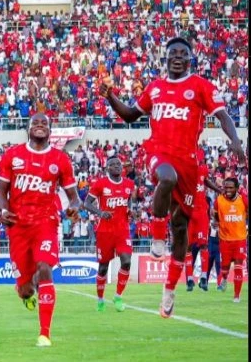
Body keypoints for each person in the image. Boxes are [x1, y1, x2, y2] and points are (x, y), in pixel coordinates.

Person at [99, 37, 246, 318]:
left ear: (190, 59)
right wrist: (110, 96)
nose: (178, 56)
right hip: (158, 151)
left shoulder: (200, 87)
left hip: (189, 163)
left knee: (180, 230)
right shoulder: (155, 88)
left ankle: (169, 291)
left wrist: (236, 140)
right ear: (165, 59)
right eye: (173, 53)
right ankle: (156, 237)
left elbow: (223, 116)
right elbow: (131, 115)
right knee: (165, 177)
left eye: (183, 53)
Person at [0, 113, 81, 348]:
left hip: (46, 222)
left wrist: (74, 208)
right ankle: (25, 290)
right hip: (17, 226)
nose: (40, 126)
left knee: (45, 267)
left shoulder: (60, 159)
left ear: (50, 130)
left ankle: (44, 333)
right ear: (28, 127)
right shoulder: (12, 155)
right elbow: (1, 193)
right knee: (25, 289)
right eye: (36, 123)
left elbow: (74, 198)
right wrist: (3, 211)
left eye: (45, 123)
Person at [82, 156, 135, 312]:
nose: (117, 166)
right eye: (113, 165)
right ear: (107, 169)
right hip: (105, 231)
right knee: (103, 267)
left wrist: (129, 210)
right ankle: (100, 299)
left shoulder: (128, 184)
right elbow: (86, 203)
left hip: (122, 230)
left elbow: (128, 200)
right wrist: (100, 212)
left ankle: (118, 296)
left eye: (118, 164)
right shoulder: (100, 184)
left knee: (126, 261)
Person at [186, 150, 220, 291]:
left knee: (203, 245)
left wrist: (217, 189)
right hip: (188, 212)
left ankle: (204, 278)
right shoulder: (183, 172)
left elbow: (205, 180)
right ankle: (189, 280)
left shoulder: (202, 170)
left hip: (200, 213)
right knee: (188, 247)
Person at [212, 178, 248, 302]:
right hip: (225, 239)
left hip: (240, 239)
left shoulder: (243, 199)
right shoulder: (219, 200)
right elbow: (215, 215)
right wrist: (216, 223)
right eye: (226, 187)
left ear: (236, 188)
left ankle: (236, 296)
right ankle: (225, 278)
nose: (227, 190)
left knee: (238, 266)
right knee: (225, 268)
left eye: (230, 187)